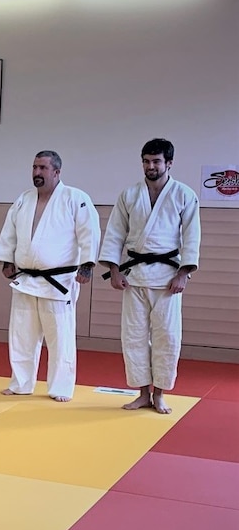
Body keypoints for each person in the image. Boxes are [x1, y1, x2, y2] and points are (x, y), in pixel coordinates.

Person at [98, 138, 201, 414]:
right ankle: (143, 393)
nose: (150, 166)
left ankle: (161, 394)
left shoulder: (184, 194)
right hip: (134, 275)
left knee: (167, 336)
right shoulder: (129, 195)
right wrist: (114, 269)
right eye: (146, 161)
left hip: (168, 278)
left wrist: (184, 273)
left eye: (156, 161)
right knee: (133, 336)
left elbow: (191, 237)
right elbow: (116, 232)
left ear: (169, 163)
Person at [0, 150, 100, 402]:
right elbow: (10, 232)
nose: (37, 173)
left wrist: (87, 265)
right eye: (34, 167)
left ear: (56, 172)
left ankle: (60, 387)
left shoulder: (75, 198)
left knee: (59, 337)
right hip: (26, 280)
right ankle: (21, 383)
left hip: (59, 282)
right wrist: (6, 260)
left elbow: (89, 232)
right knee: (21, 334)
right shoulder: (23, 199)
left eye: (42, 168)